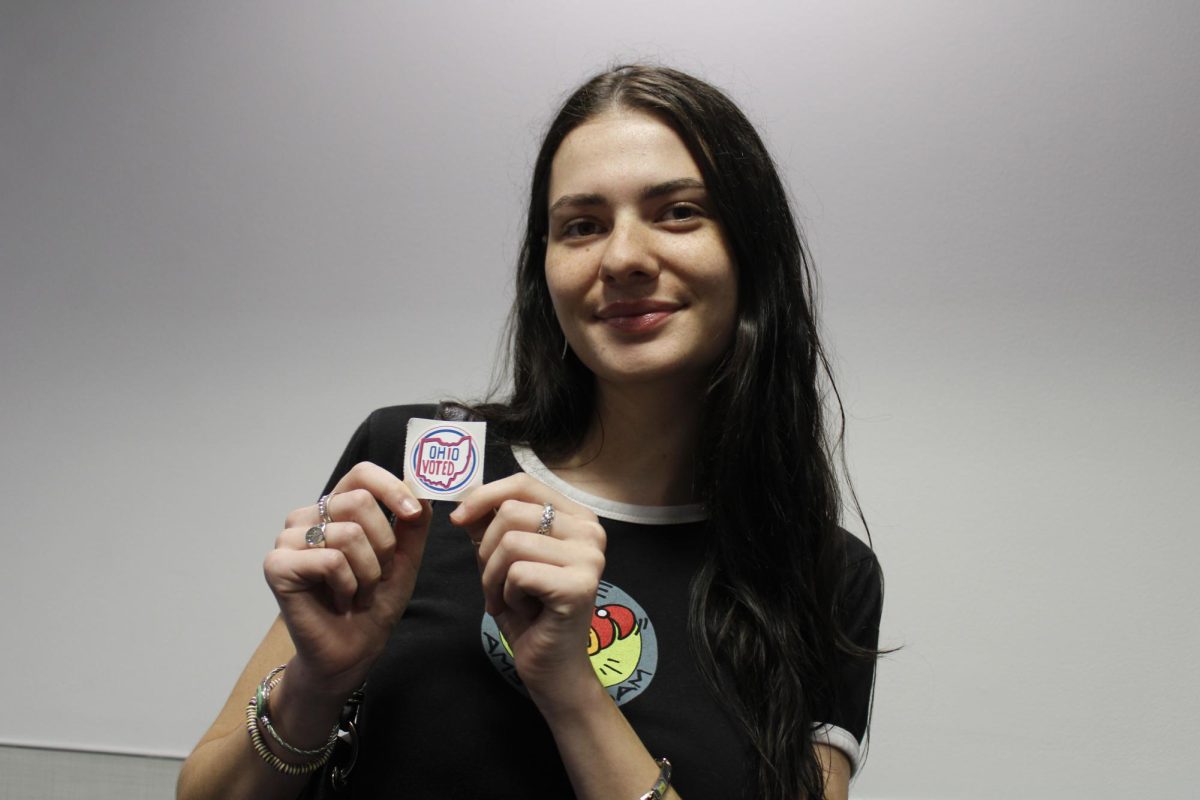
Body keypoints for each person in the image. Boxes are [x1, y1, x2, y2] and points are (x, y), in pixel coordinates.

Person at [177, 64, 883, 800]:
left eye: (677, 212)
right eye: (582, 225)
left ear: (751, 250)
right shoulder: (412, 465)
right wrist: (316, 686)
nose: (624, 258)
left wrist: (570, 688)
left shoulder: (824, 574)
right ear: (543, 266)